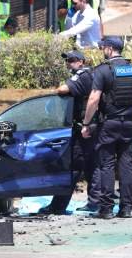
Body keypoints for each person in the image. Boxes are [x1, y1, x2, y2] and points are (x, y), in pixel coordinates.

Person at [81, 36, 132, 219]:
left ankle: (106, 209)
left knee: (106, 165)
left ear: (109, 49)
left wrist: (86, 123)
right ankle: (126, 208)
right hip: (128, 125)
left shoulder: (102, 71)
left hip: (108, 124)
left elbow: (93, 99)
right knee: (127, 166)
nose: (102, 50)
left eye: (103, 47)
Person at [39, 50, 100, 214]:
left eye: (72, 60)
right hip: (93, 126)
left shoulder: (82, 75)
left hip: (83, 128)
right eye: (67, 60)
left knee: (72, 167)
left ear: (81, 62)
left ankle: (57, 206)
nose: (69, 63)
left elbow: (62, 90)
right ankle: (95, 202)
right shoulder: (94, 75)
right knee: (92, 166)